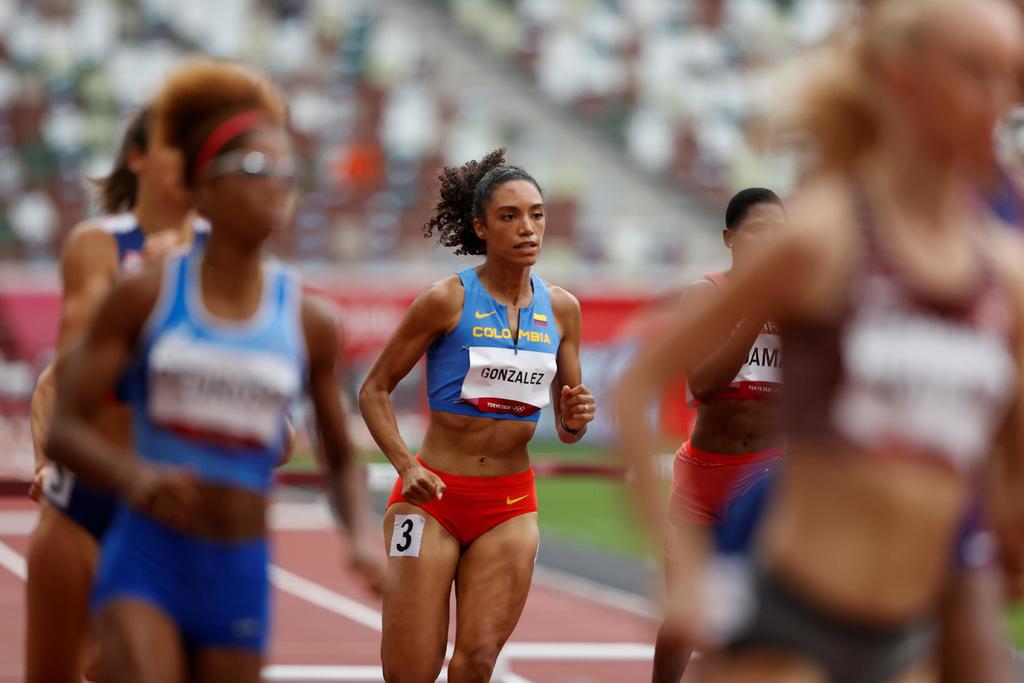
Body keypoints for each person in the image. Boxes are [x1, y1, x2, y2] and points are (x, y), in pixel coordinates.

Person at [615, 1, 1024, 682]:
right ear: (902, 76)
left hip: (911, 631)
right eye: (975, 73)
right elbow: (635, 384)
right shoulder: (825, 234)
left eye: (1010, 78)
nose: (999, 100)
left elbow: (1005, 449)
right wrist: (681, 573)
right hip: (791, 623)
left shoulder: (1004, 269)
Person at [46, 59, 383, 682]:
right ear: (204, 185)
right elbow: (63, 424)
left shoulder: (311, 321)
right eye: (255, 169)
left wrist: (361, 536)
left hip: (239, 571)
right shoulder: (145, 295)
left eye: (287, 172)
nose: (276, 186)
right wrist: (132, 475)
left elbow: (338, 460)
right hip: (148, 559)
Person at [359, 148, 596, 683]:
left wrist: (577, 415)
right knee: (410, 671)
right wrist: (406, 465)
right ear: (481, 228)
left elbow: (569, 425)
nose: (527, 228)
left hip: (509, 506)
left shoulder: (563, 309)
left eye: (536, 214)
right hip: (431, 501)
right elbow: (374, 389)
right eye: (509, 216)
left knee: (477, 664)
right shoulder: (445, 301)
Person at [25, 104, 205, 683]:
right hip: (89, 498)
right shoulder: (100, 245)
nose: (188, 157)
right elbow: (68, 376)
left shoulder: (231, 257)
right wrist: (47, 461)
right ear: (138, 157)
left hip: (176, 501)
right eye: (175, 143)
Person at [648, 187, 786, 683]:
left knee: (758, 621)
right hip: (705, 477)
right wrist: (754, 313)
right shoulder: (705, 295)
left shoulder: (803, 302)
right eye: (757, 232)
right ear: (730, 238)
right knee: (685, 619)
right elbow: (703, 385)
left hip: (767, 477)